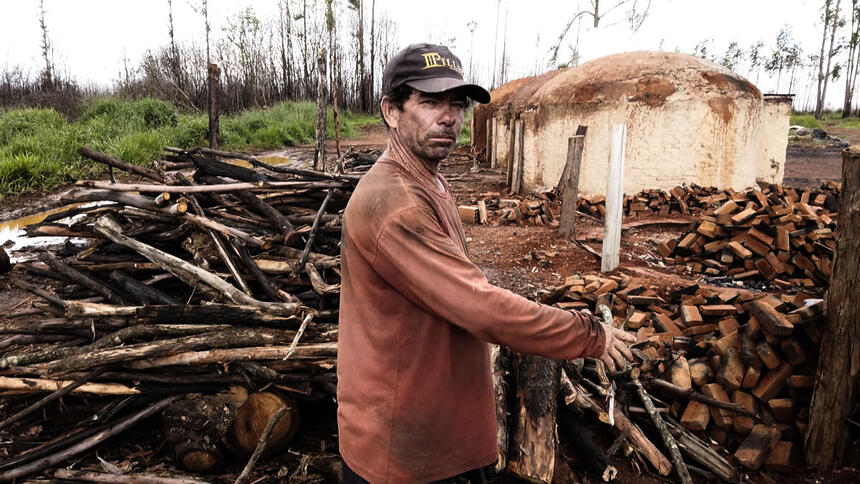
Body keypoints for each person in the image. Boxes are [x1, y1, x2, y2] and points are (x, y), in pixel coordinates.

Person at [336, 43, 635, 484]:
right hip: (403, 454)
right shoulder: (396, 204)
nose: (449, 117)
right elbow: (481, 307)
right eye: (430, 101)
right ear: (391, 111)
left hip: (435, 434)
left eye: (457, 104)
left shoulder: (426, 179)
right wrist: (588, 334)